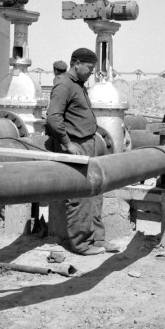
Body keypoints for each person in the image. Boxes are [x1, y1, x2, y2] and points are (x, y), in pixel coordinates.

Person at [46, 48, 118, 256]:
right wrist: (67, 143)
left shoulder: (77, 85)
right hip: (76, 146)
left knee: (95, 193)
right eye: (89, 67)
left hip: (88, 144)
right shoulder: (63, 84)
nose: (91, 72)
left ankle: (97, 238)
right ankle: (81, 244)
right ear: (76, 63)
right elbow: (53, 118)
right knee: (80, 196)